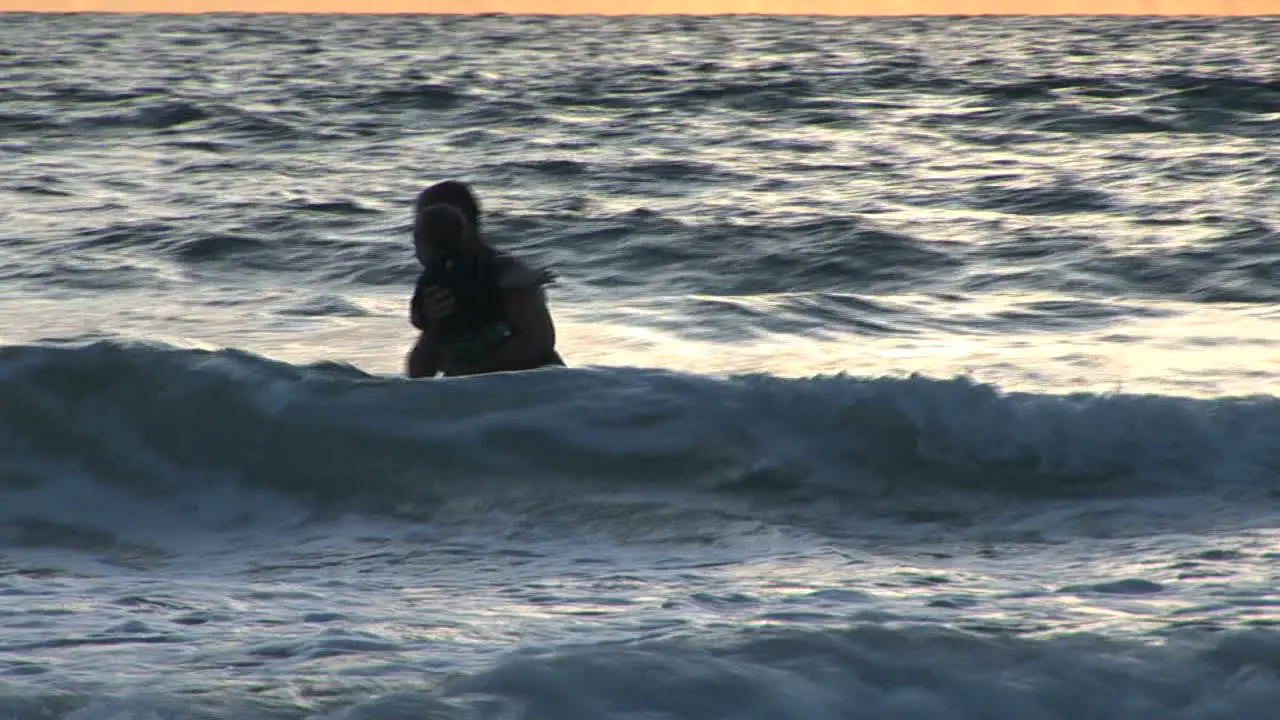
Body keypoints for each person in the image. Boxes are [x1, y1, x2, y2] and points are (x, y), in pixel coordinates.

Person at [404, 181, 564, 378]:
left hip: (533, 388)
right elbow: (419, 373)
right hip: (474, 390)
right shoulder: (438, 285)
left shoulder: (502, 272)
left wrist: (470, 373)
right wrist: (432, 324)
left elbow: (537, 345)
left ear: (469, 225)